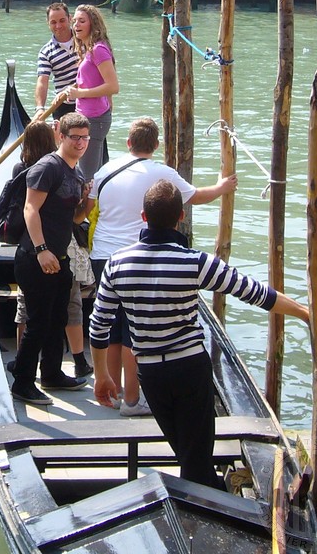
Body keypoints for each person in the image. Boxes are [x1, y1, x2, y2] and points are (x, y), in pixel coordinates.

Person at [90, 180, 317, 489]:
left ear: (143, 217)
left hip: (150, 373)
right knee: (194, 458)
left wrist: (102, 375)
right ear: (181, 216)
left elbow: (99, 325)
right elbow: (256, 293)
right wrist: (307, 314)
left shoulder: (116, 263)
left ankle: (210, 497)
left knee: (190, 455)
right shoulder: (195, 262)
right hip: (190, 368)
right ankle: (210, 510)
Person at [88, 117, 238, 416]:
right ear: (156, 145)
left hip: (103, 255)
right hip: (137, 257)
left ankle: (114, 389)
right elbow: (196, 196)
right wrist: (222, 187)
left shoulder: (105, 169)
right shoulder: (163, 174)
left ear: (129, 143)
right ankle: (132, 399)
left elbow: (90, 203)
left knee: (112, 329)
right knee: (133, 332)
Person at [11, 112, 93, 405]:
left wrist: (88, 200)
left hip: (60, 257)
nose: (81, 143)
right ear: (61, 136)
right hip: (35, 257)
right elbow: (30, 210)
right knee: (38, 321)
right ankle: (22, 382)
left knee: (57, 317)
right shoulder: (48, 167)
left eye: (85, 137)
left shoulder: (76, 170)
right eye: (75, 137)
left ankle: (52, 373)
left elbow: (74, 218)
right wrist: (41, 249)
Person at [62, 4, 119, 181]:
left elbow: (113, 86)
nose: (76, 25)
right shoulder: (89, 50)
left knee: (87, 177)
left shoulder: (98, 50)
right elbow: (92, 80)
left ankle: (88, 208)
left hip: (95, 119)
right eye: (74, 21)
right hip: (90, 117)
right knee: (90, 173)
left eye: (82, 21)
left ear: (92, 24)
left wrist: (80, 94)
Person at [32, 2, 78, 122]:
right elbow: (42, 81)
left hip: (89, 100)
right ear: (48, 24)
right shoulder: (45, 52)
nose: (58, 26)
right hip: (64, 105)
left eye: (62, 20)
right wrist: (40, 108)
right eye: (53, 22)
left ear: (70, 19)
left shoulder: (84, 39)